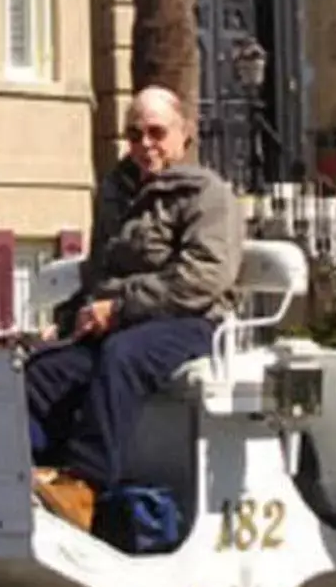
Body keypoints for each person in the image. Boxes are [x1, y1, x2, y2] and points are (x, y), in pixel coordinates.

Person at [24, 86, 245, 532]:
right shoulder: (115, 192)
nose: (145, 145)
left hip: (192, 321)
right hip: (121, 320)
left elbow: (204, 277)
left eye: (157, 133)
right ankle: (31, 473)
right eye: (135, 134)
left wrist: (119, 309)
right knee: (40, 369)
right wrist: (68, 321)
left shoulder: (209, 195)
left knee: (122, 355)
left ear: (184, 135)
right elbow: (98, 272)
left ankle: (84, 485)